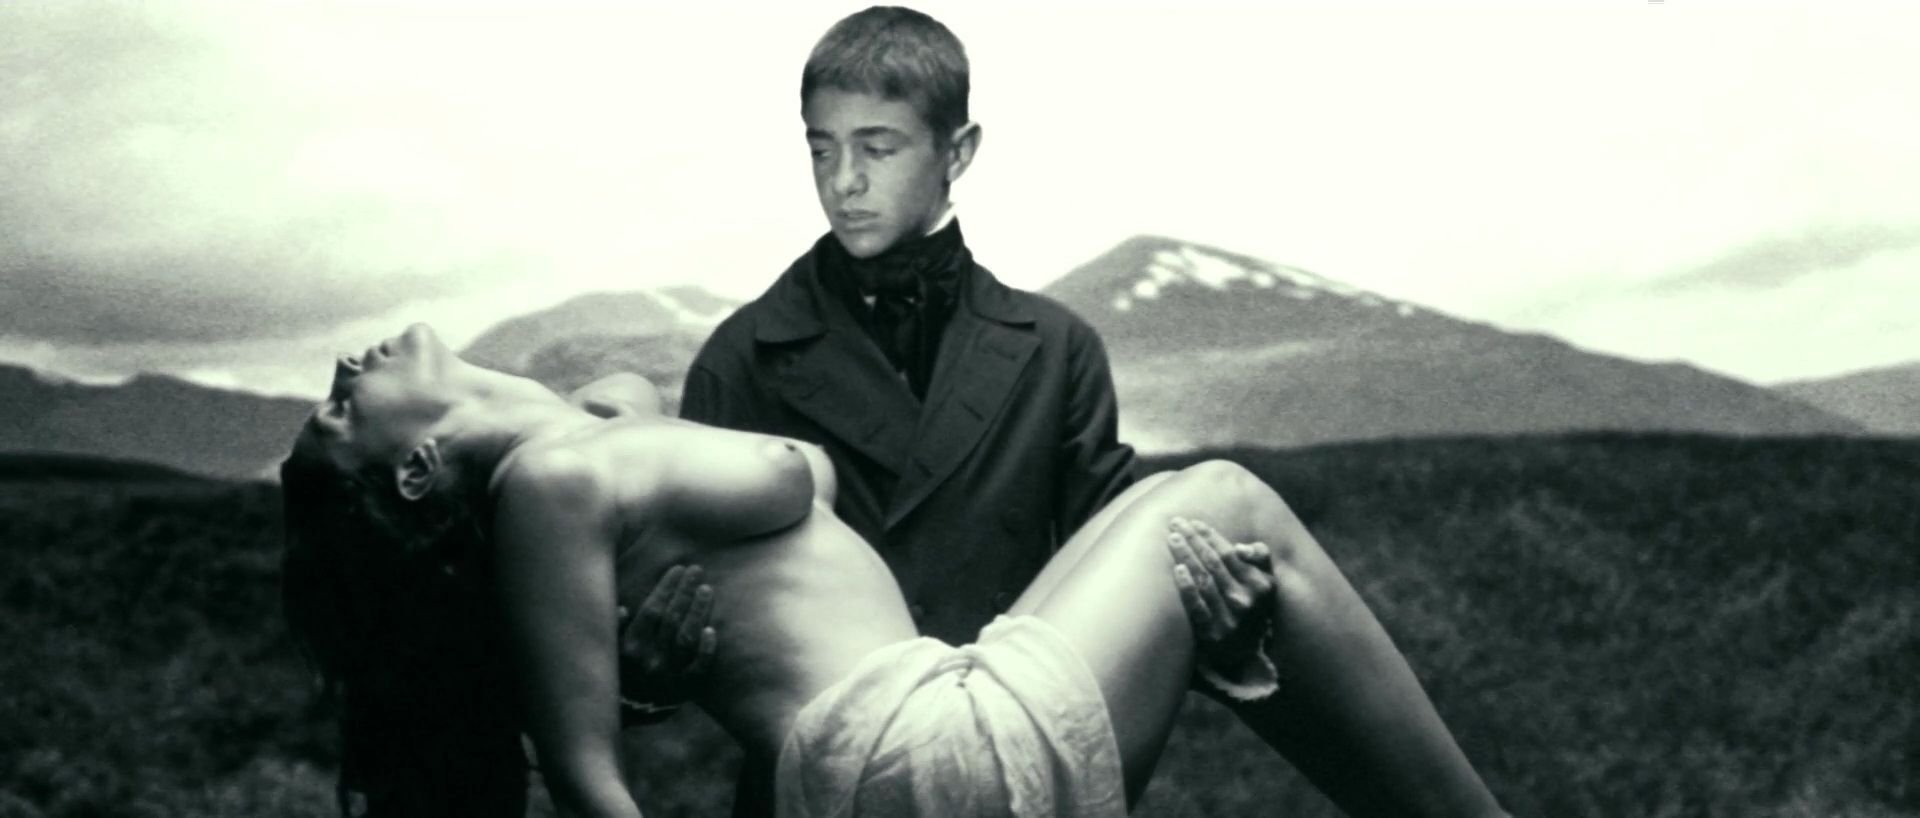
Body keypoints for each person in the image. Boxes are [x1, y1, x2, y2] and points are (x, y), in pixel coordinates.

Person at [281, 323, 1510, 818]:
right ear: (413, 472)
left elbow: (618, 391)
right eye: (336, 415)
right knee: (1226, 499)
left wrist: (637, 664)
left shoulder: (583, 445)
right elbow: (588, 777)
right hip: (908, 755)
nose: (341, 368)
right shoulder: (549, 489)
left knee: (1189, 520)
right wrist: (632, 689)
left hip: (912, 741)